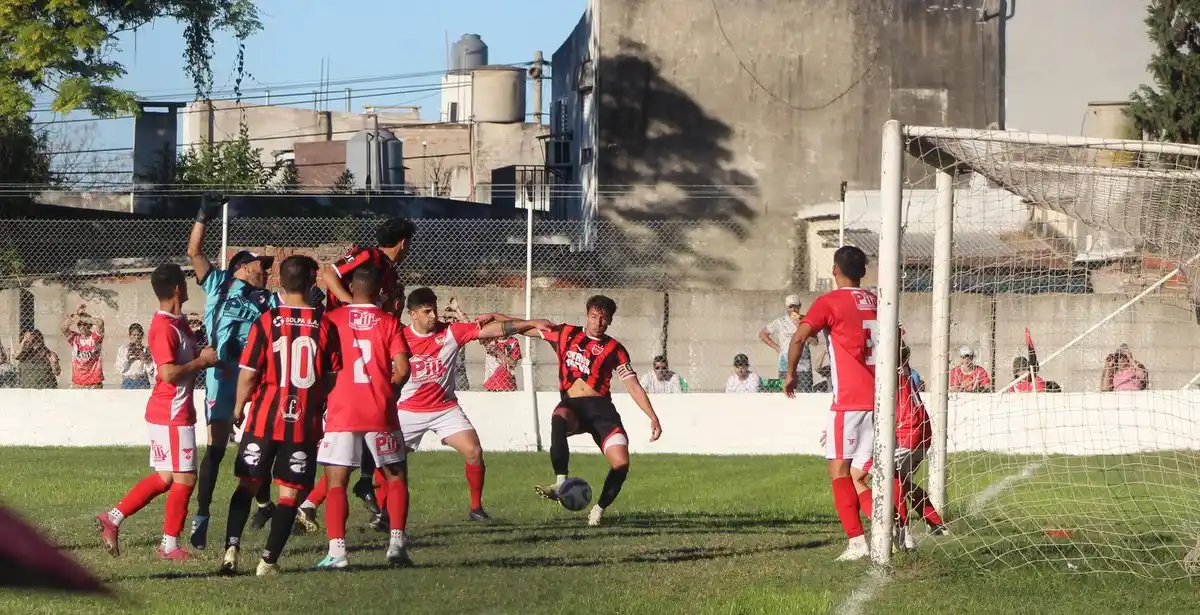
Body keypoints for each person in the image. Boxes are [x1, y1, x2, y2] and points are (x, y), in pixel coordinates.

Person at [219, 256, 335, 577]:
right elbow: (331, 377)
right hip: (302, 425)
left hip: (264, 419)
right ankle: (267, 563)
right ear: (312, 283)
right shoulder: (326, 326)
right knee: (288, 495)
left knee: (247, 485)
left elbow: (247, 374)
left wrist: (238, 408)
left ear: (279, 282)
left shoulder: (266, 321)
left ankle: (231, 548)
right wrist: (318, 404)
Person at [94, 264, 218, 560]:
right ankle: (169, 545)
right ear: (177, 288)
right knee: (185, 479)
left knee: (165, 477)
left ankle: (111, 518)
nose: (188, 287)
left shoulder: (179, 323)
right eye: (185, 283)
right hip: (171, 413)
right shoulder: (163, 326)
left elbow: (196, 352)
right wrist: (202, 363)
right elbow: (168, 373)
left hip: (170, 411)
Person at [508, 295, 662, 527]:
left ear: (609, 321)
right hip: (573, 406)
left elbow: (633, 385)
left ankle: (598, 510)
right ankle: (561, 482)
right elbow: (524, 328)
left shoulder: (615, 349)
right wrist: (496, 318)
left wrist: (653, 417)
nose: (598, 322)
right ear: (586, 315)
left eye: (603, 318)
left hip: (601, 411)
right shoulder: (566, 333)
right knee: (559, 418)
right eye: (594, 316)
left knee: (621, 464)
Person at [187, 195, 280, 551]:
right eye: (262, 266)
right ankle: (203, 516)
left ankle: (263, 503)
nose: (266, 271)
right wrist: (202, 217)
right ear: (242, 267)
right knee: (216, 449)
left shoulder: (270, 300)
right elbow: (195, 253)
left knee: (258, 447)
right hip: (221, 376)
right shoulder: (220, 283)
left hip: (255, 378)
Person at [313, 263, 415, 569]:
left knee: (336, 482)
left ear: (351, 289)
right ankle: (396, 543)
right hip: (379, 410)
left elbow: (320, 364)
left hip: (342, 411)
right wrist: (389, 391)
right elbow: (404, 368)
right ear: (379, 292)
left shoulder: (331, 319)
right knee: (396, 476)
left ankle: (338, 551)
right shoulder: (388, 321)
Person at [317, 216, 416, 518]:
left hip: (363, 344)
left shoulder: (388, 273)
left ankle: (361, 482)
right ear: (403, 243)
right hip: (340, 340)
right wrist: (352, 307)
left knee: (371, 415)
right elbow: (328, 273)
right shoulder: (368, 256)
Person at [784, 246, 877, 562]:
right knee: (861, 475)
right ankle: (894, 529)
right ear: (862, 272)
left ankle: (856, 543)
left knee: (839, 470)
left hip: (848, 402)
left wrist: (791, 374)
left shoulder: (829, 302)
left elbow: (798, 338)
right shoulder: (878, 301)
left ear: (834, 271)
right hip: (881, 402)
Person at [760, 295, 817, 390]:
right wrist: (777, 347)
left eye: (796, 306)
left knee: (805, 395)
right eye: (791, 306)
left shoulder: (806, 320)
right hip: (785, 366)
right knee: (786, 394)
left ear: (800, 306)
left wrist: (802, 328)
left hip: (804, 366)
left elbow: (815, 341)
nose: (794, 309)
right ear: (786, 307)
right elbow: (763, 334)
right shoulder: (780, 322)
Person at [61, 304, 104, 389]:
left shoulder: (95, 338)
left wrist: (82, 318)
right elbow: (63, 328)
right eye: (80, 324)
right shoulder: (75, 338)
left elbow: (100, 322)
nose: (82, 326)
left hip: (94, 382)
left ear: (90, 325)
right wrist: (75, 315)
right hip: (78, 382)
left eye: (85, 324)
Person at [115, 324, 153, 389]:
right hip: (128, 381)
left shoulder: (146, 350)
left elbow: (151, 371)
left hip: (143, 381)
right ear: (129, 336)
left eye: (139, 335)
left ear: (142, 336)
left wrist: (146, 360)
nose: (136, 337)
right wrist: (127, 359)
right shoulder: (123, 349)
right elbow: (120, 369)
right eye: (134, 335)